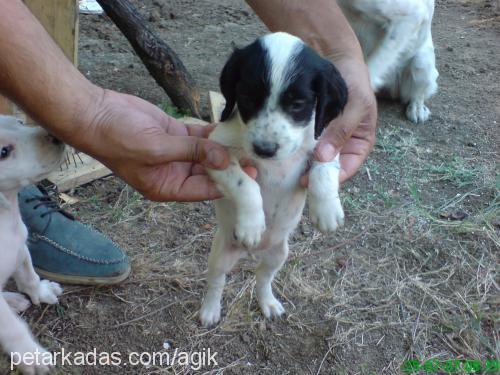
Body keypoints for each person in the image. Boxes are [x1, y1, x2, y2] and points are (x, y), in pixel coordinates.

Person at [0, 0, 376, 285]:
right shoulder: (234, 129)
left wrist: (325, 186)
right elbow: (224, 152)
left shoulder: (321, 102)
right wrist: (246, 199)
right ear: (233, 91)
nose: (266, 136)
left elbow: (324, 154)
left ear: (323, 101)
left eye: (295, 105)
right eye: (248, 102)